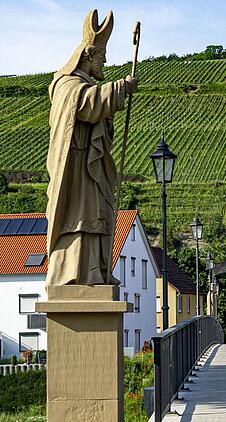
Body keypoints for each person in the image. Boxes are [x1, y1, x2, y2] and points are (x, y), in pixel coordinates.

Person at [46, 9, 138, 287]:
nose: (105, 60)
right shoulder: (67, 84)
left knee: (100, 212)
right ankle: (72, 274)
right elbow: (85, 106)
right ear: (88, 54)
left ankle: (95, 272)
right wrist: (121, 87)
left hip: (90, 165)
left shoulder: (81, 84)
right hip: (75, 168)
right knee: (81, 217)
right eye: (101, 55)